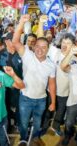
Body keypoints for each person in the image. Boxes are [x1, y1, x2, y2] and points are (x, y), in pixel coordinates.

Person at [12, 14, 56, 143]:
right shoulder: (27, 55)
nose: (40, 49)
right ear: (34, 46)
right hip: (25, 98)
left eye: (44, 47)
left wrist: (53, 102)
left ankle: (35, 138)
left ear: (48, 49)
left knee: (37, 123)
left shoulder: (51, 65)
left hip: (41, 100)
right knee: (24, 123)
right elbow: (15, 42)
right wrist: (21, 23)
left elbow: (52, 85)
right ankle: (24, 139)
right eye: (38, 46)